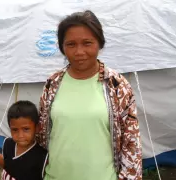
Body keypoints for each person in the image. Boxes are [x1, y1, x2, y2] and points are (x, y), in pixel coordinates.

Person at [36, 10, 142, 180]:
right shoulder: (53, 83)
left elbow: (131, 144)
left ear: (99, 44)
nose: (79, 52)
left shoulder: (117, 85)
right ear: (62, 47)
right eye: (71, 44)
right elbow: (41, 134)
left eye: (87, 43)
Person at [0, 100, 48, 180]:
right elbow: (6, 165)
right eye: (15, 130)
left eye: (26, 129)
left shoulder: (41, 156)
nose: (20, 135)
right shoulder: (8, 143)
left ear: (37, 128)